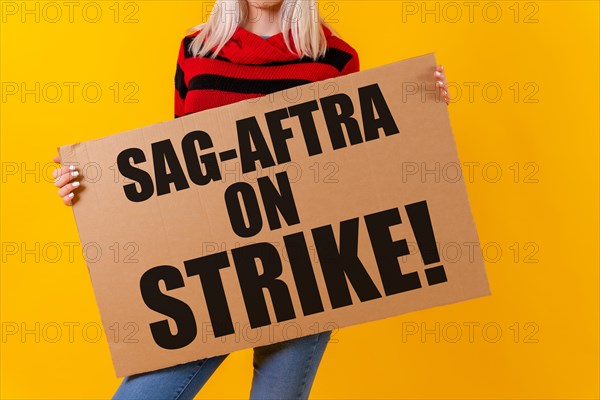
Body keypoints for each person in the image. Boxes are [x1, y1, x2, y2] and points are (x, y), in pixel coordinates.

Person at [52, 1, 450, 398]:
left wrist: (418, 113)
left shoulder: (335, 57)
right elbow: (174, 169)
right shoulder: (196, 50)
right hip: (209, 269)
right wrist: (93, 183)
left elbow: (356, 171)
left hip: (305, 270)